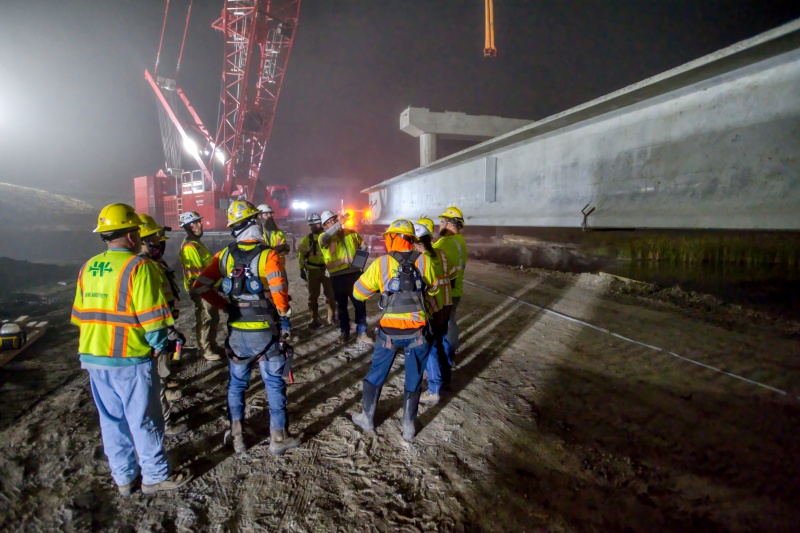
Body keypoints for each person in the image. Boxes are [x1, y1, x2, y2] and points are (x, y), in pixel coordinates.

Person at [71, 203, 192, 496]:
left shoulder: (88, 267)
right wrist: (159, 347)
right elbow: (154, 325)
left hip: (93, 358)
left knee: (112, 422)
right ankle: (154, 476)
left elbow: (79, 316)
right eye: (137, 231)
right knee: (144, 420)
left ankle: (124, 479)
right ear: (129, 236)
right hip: (129, 358)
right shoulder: (140, 268)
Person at [193, 200, 302, 456]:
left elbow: (200, 286)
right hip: (265, 332)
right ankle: (278, 438)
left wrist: (225, 306)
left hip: (237, 333)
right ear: (255, 222)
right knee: (274, 384)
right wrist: (283, 312)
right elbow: (279, 295)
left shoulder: (223, 256)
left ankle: (238, 437)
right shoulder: (269, 255)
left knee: (237, 384)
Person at [350, 219, 439, 441]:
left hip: (389, 333)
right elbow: (435, 289)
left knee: (376, 373)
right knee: (414, 377)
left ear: (392, 238)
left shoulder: (382, 263)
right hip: (418, 332)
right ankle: (408, 426)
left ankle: (367, 418)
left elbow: (358, 293)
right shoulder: (425, 260)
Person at [138, 214, 189, 436]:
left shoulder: (155, 263)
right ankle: (165, 424)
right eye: (155, 238)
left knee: (166, 363)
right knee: (154, 380)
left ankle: (167, 384)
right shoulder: (143, 267)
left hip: (163, 323)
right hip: (154, 329)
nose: (160, 242)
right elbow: (149, 306)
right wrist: (165, 331)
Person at [414, 217, 455, 404]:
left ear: (417, 242)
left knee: (430, 347)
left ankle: (433, 389)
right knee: (442, 341)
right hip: (447, 304)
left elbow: (423, 287)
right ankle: (445, 380)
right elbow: (452, 273)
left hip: (434, 309)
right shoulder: (442, 253)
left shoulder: (421, 260)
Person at [318, 210, 371, 344]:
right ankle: (344, 332)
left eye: (334, 219)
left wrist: (358, 263)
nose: (333, 222)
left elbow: (364, 247)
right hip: (338, 277)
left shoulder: (352, 233)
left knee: (360, 304)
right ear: (324, 227)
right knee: (342, 306)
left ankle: (362, 332)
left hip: (354, 275)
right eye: (329, 222)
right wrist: (338, 224)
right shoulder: (324, 238)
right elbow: (325, 238)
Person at [178, 210, 222, 361]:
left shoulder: (197, 243)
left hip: (209, 288)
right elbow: (197, 274)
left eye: (199, 221)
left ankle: (212, 345)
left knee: (213, 317)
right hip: (203, 290)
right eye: (194, 223)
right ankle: (205, 350)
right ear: (187, 227)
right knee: (205, 318)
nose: (199, 225)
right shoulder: (190, 247)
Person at [433, 206, 467, 366]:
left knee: (446, 323)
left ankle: (448, 357)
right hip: (455, 289)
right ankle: (450, 353)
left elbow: (428, 253)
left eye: (442, 222)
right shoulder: (458, 240)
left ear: (451, 223)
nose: (439, 225)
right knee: (450, 321)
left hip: (448, 290)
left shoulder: (448, 242)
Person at [297, 213, 336, 328]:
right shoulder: (307, 239)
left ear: (321, 224)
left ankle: (331, 318)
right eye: (311, 225)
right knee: (313, 297)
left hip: (327, 270)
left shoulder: (327, 238)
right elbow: (301, 256)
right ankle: (314, 319)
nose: (314, 226)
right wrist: (301, 269)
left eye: (316, 224)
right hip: (312, 270)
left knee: (331, 295)